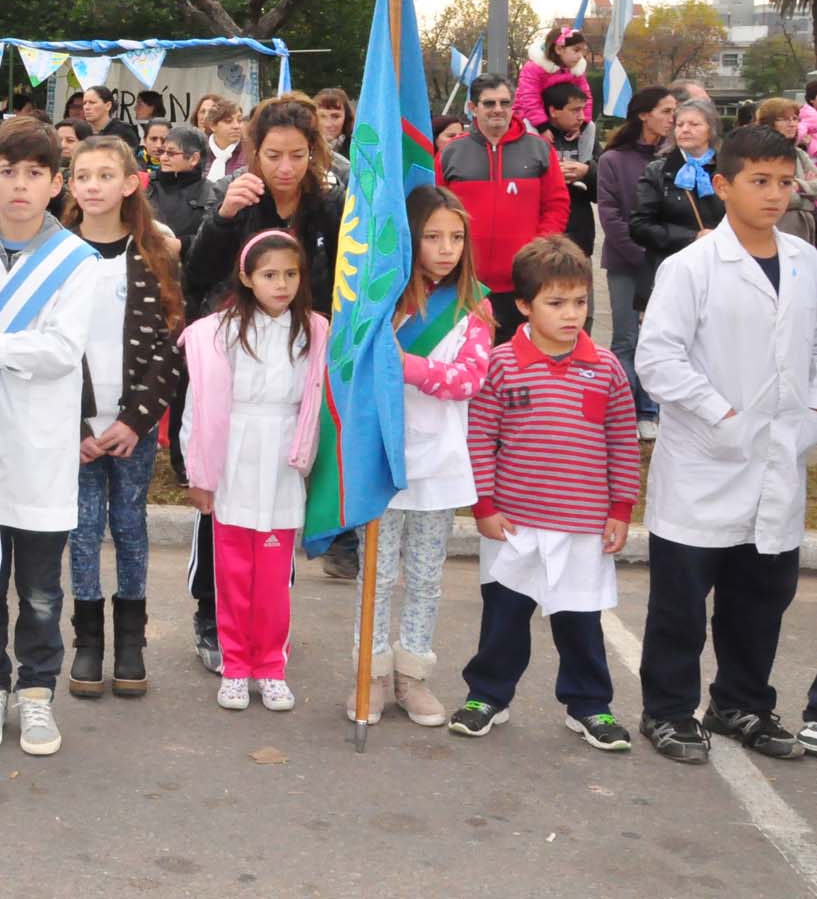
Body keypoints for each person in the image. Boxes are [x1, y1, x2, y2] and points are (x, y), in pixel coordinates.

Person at [635, 124, 816, 764]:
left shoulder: (806, 261)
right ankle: (667, 710)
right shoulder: (691, 267)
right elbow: (658, 360)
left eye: (784, 182)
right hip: (705, 463)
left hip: (779, 462)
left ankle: (742, 703)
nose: (774, 195)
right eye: (759, 181)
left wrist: (809, 416)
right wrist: (723, 413)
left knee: (761, 599)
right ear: (723, 184)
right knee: (681, 606)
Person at [0, 117, 102, 758]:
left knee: (39, 591)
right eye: (7, 171)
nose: (19, 185)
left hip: (40, 451)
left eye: (34, 173)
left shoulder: (77, 262)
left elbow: (62, 351)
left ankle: (35, 692)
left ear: (55, 183)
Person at [449, 236, 637, 750]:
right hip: (514, 524)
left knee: (581, 622)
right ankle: (487, 696)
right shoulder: (500, 364)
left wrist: (621, 508)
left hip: (583, 525)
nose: (571, 314)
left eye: (580, 301)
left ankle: (590, 705)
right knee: (504, 617)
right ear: (524, 305)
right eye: (556, 303)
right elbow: (479, 439)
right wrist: (484, 506)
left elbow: (622, 441)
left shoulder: (607, 368)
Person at [185, 94, 347, 598]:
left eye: (298, 155)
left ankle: (272, 604)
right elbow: (196, 276)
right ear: (254, 151)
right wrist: (224, 218)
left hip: (299, 358)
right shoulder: (234, 192)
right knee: (222, 492)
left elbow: (343, 283)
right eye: (273, 155)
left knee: (283, 492)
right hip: (237, 358)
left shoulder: (329, 203)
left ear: (314, 151)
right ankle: (211, 609)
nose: (285, 167)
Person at [350, 185, 490, 725]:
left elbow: (467, 380)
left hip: (440, 465)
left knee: (427, 577)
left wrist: (403, 365)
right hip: (384, 458)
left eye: (456, 237)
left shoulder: (472, 306)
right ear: (410, 239)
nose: (447, 248)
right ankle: (371, 675)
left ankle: (412, 675)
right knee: (377, 575)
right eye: (432, 236)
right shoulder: (383, 301)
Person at [179, 229, 327, 712]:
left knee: (274, 579)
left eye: (290, 274)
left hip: (283, 459)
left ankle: (271, 667)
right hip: (234, 458)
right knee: (233, 574)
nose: (281, 284)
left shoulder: (314, 331)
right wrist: (200, 475)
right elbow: (199, 406)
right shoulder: (217, 333)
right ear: (246, 277)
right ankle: (236, 666)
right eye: (269, 275)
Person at [62, 136, 185, 699]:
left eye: (105, 175)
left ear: (131, 183)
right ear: (70, 185)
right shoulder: (56, 256)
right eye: (83, 176)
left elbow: (172, 344)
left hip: (133, 423)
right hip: (76, 426)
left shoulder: (156, 253)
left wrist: (136, 420)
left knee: (131, 527)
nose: (93, 186)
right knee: (83, 531)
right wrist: (77, 426)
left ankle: (130, 643)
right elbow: (45, 345)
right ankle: (87, 641)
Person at [436, 74, 569, 344]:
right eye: (489, 103)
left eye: (504, 102)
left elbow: (556, 205)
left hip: (523, 282)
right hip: (464, 283)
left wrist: (538, 249)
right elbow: (435, 212)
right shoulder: (451, 153)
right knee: (466, 358)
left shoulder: (539, 149)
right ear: (473, 108)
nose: (498, 109)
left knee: (517, 359)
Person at [594, 87, 672, 440]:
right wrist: (641, 256)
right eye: (665, 111)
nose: (672, 118)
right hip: (626, 262)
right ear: (644, 114)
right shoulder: (613, 160)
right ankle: (623, 412)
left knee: (658, 338)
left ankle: (650, 410)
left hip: (669, 262)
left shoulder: (677, 159)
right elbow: (610, 216)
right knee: (626, 337)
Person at [629, 97, 726, 302]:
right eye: (680, 124)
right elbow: (639, 226)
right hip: (670, 272)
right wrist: (692, 237)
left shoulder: (728, 169)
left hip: (719, 272)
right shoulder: (658, 170)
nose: (685, 129)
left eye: (694, 124)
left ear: (711, 130)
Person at [540, 81, 598, 260]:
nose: (581, 117)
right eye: (575, 110)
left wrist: (587, 172)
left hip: (579, 241)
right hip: (541, 241)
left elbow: (606, 188)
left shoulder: (586, 138)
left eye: (583, 109)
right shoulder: (533, 139)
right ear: (553, 111)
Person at [754, 98, 817, 245]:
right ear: (768, 123)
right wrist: (808, 197)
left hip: (806, 228)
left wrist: (798, 185)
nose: (792, 124)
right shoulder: (760, 155)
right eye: (784, 119)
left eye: (795, 118)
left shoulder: (799, 154)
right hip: (778, 228)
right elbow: (777, 199)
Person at [145, 124, 218, 248]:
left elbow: (213, 241)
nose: (163, 158)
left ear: (194, 158)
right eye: (162, 151)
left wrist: (182, 245)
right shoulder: (145, 184)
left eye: (171, 153)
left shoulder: (212, 194)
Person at [514, 26, 593, 130]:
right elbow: (529, 97)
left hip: (557, 116)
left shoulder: (576, 71)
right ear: (559, 49)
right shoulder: (534, 68)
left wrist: (583, 124)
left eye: (583, 51)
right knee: (529, 128)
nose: (580, 56)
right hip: (529, 115)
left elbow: (586, 97)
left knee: (590, 127)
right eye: (576, 50)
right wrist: (542, 126)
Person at [202, 99, 246, 181]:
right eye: (228, 121)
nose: (236, 126)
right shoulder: (199, 150)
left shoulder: (250, 152)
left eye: (240, 120)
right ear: (213, 125)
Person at [314, 87, 355, 158]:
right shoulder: (303, 145)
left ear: (346, 118)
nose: (328, 124)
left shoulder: (356, 149)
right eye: (322, 116)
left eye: (336, 116)